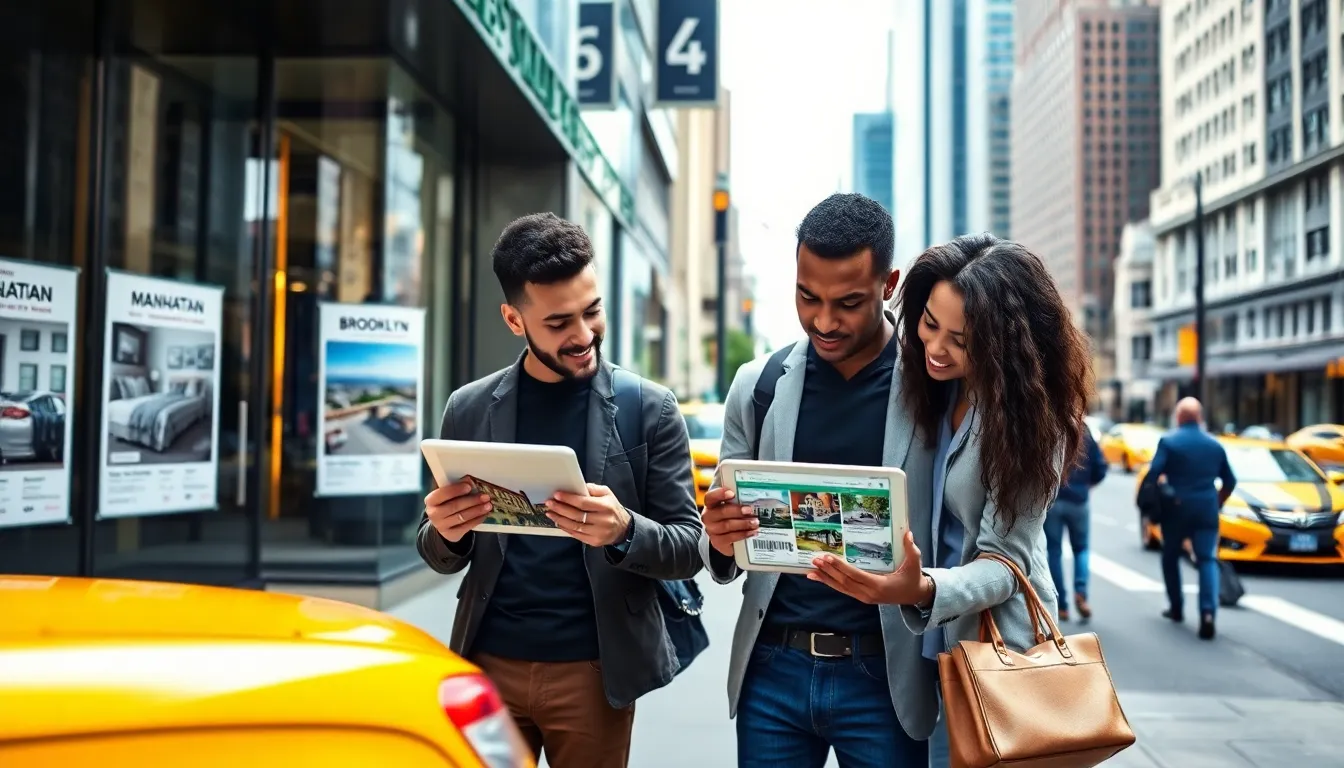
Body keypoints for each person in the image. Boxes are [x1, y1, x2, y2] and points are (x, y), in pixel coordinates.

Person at [416, 213, 703, 768]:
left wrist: (624, 530)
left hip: (594, 674)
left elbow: (690, 546)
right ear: (513, 319)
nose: (583, 334)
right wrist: (447, 534)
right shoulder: (469, 408)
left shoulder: (651, 409)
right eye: (558, 322)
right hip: (488, 668)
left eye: (592, 310)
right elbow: (435, 547)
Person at [804, 234, 1091, 768]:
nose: (936, 347)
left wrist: (923, 587)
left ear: (1004, 344)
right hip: (928, 650)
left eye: (961, 340)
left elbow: (1008, 561)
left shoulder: (1034, 420)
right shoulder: (934, 388)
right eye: (929, 323)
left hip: (997, 652)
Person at [700, 193, 934, 766]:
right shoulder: (758, 385)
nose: (824, 321)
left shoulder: (934, 388)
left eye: (848, 303)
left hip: (886, 675)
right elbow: (725, 558)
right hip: (774, 670)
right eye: (808, 297)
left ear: (889, 284)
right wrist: (720, 536)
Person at [1146, 397, 1236, 640]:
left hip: (1176, 510)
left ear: (1178, 417)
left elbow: (1153, 473)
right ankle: (1208, 613)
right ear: (1200, 417)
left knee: (1170, 557)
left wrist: (1162, 490)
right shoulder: (1214, 445)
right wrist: (1216, 501)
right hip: (1206, 508)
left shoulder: (1169, 442)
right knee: (1207, 560)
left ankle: (1176, 608)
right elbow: (1230, 481)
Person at [1045, 424, 1108, 623]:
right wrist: (1086, 486)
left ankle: (1061, 605)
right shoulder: (1086, 432)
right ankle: (1081, 592)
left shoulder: (1051, 427)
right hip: (1079, 501)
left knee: (1054, 552)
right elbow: (1100, 468)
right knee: (1081, 550)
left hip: (1054, 501)